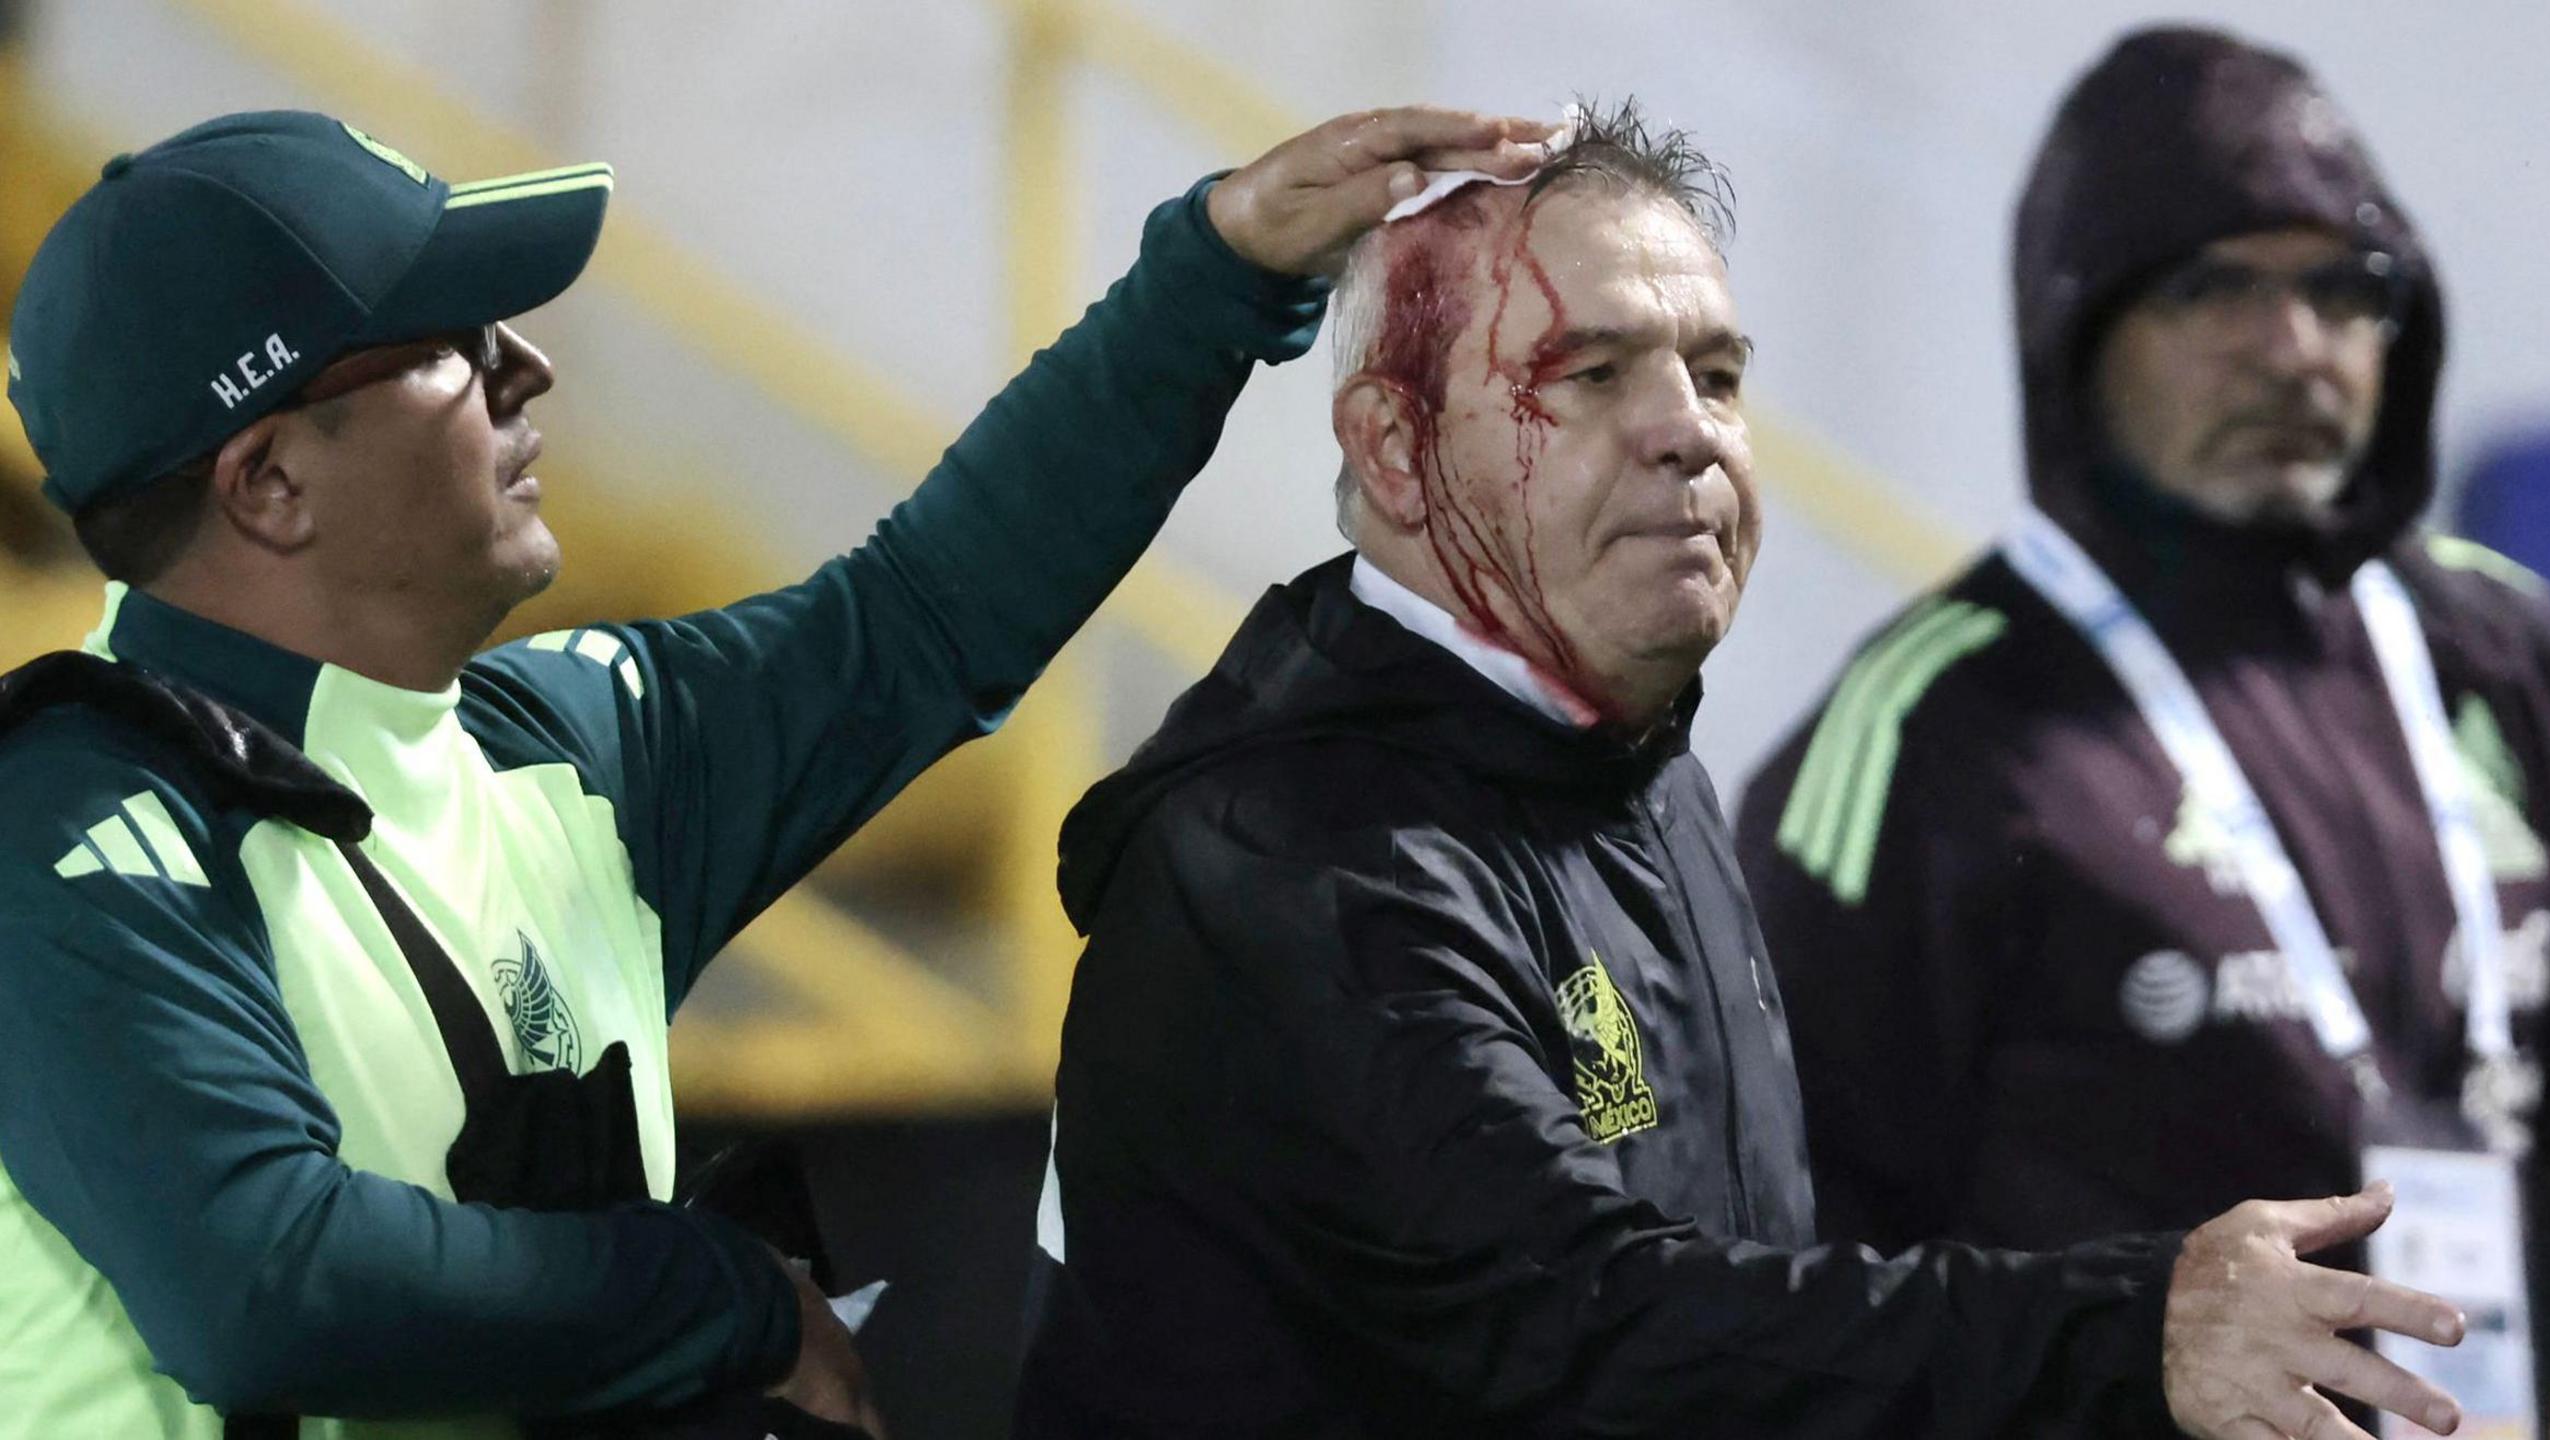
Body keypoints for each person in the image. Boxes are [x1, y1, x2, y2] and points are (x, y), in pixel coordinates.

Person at [0, 103, 1552, 1439]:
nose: (526, 365)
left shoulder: (560, 747)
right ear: (271, 482)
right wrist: (723, 1299)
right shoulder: (62, 829)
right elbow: (266, 1282)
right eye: (449, 343)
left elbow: (926, 615)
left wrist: (1218, 272)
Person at [1017, 98, 2469, 1440]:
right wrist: (2133, 1331)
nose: (1688, 434)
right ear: (1393, 451)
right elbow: (1594, 1332)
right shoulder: (1299, 863)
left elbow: (1747, 1309)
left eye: (1715, 375)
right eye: (1588, 376)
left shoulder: (1618, 761)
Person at [1734, 25, 2550, 1426]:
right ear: (2077, 330)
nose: (2292, 349)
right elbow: (1796, 1286)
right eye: (2214, 287)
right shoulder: (1930, 727)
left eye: (2341, 288)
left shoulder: (2505, 654)